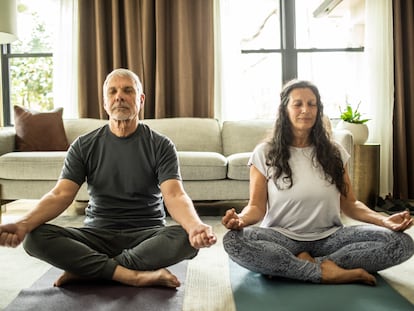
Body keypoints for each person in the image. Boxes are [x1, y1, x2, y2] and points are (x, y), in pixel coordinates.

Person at [0, 68, 217, 288]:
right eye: (112, 92)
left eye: (127, 90)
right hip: (96, 235)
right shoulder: (84, 145)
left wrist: (195, 226)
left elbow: (174, 195)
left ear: (140, 100)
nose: (119, 96)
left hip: (147, 235)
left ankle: (89, 272)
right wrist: (22, 224)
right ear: (105, 103)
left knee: (186, 238)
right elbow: (60, 194)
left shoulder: (160, 145)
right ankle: (131, 275)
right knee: (34, 237)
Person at [221, 79, 414, 286]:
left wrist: (383, 221)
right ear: (285, 110)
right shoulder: (264, 153)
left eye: (312, 104)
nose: (306, 110)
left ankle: (299, 267)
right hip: (280, 237)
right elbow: (256, 207)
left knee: (401, 243)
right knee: (234, 241)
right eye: (298, 104)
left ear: (318, 109)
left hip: (330, 238)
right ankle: (328, 272)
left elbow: (350, 204)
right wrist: (240, 220)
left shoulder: (335, 152)